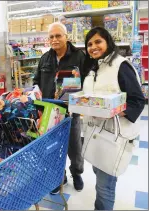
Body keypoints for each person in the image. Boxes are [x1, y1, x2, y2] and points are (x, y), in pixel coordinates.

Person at [82, 27, 145, 210]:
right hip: (95, 132)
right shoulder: (95, 67)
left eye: (98, 42)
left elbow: (137, 101)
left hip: (112, 136)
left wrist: (111, 109)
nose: (93, 47)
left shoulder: (120, 65)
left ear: (108, 42)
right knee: (99, 176)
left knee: (105, 187)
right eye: (90, 44)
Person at [33, 22, 85, 193]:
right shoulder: (45, 58)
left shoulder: (79, 56)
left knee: (74, 146)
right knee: (53, 147)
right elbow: (36, 81)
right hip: (49, 112)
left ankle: (76, 173)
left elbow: (87, 82)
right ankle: (58, 175)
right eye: (51, 37)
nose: (54, 40)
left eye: (58, 36)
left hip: (71, 111)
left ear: (66, 37)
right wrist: (35, 95)